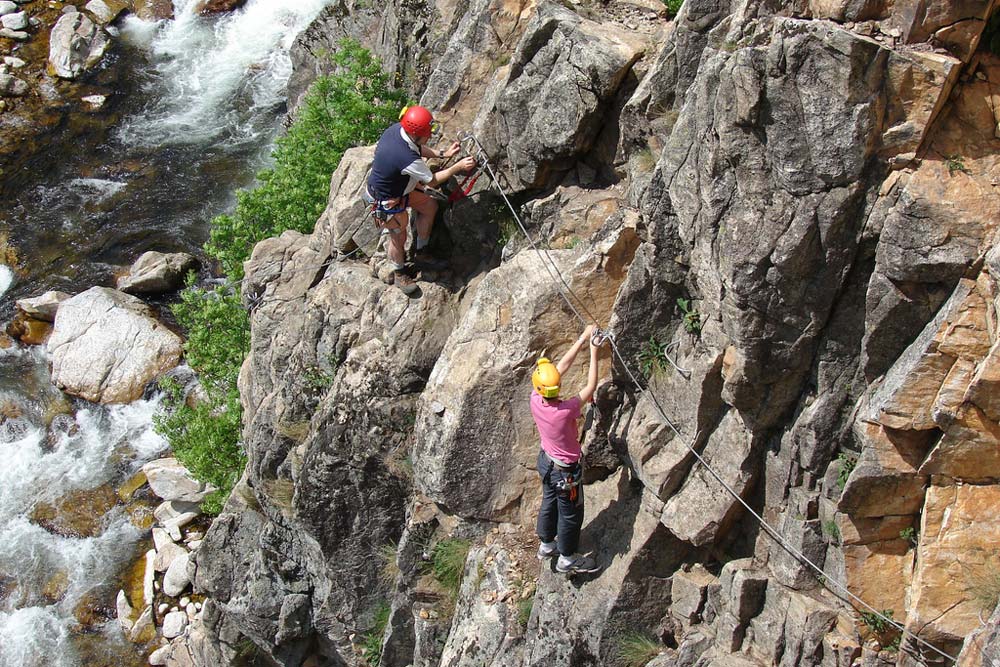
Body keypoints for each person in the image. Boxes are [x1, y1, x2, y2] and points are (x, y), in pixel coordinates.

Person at [364, 105, 477, 295]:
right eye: (428, 133)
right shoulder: (406, 158)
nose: (430, 136)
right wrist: (457, 166)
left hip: (400, 190)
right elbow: (431, 181)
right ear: (417, 133)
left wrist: (443, 154)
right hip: (386, 200)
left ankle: (421, 252)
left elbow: (417, 147)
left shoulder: (398, 131)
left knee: (429, 207)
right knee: (398, 237)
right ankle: (399, 271)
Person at [529, 324, 602, 575]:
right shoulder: (566, 410)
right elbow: (590, 387)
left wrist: (582, 336)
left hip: (546, 463)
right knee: (570, 514)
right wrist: (593, 351)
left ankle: (547, 544)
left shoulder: (535, 399)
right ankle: (567, 559)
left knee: (549, 503)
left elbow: (560, 369)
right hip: (566, 473)